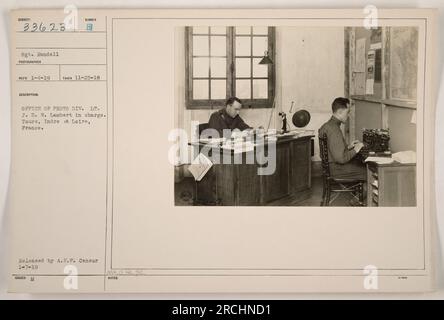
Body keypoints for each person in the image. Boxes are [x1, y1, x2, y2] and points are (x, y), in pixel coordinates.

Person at [318, 97, 366, 180]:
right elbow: (341, 159)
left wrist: (349, 147)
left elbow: (332, 149)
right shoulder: (334, 130)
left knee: (358, 163)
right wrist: (356, 150)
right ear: (339, 112)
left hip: (329, 167)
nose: (348, 116)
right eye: (347, 112)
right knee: (368, 171)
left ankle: (355, 192)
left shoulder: (327, 126)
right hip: (336, 170)